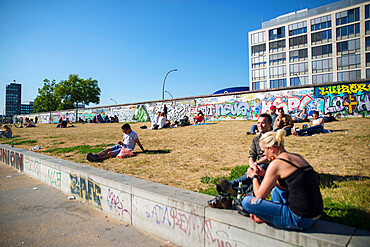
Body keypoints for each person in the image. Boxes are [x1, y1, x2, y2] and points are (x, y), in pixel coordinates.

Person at [241, 129, 323, 230]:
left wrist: (254, 176)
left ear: (271, 149)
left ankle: (270, 218)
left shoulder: (276, 164)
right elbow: (285, 185)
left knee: (246, 202)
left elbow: (259, 195)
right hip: (316, 215)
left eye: (263, 152)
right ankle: (275, 215)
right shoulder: (296, 157)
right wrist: (265, 174)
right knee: (276, 190)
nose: (264, 156)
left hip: (300, 220)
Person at [208, 114, 272, 208]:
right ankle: (228, 195)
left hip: (269, 166)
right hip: (257, 166)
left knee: (260, 168)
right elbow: (251, 156)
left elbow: (269, 157)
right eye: (258, 123)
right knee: (255, 173)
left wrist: (256, 164)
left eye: (263, 123)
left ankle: (231, 185)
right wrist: (252, 165)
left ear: (269, 124)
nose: (260, 125)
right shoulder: (256, 139)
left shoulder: (273, 137)